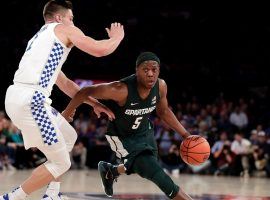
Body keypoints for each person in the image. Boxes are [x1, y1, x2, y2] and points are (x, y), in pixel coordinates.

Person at [0, 0, 124, 199]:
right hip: (32, 101)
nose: (73, 23)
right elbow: (100, 50)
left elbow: (66, 84)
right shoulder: (62, 29)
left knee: (68, 136)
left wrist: (94, 103)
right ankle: (11, 198)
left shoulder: (41, 40)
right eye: (71, 18)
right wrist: (117, 38)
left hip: (20, 97)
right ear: (59, 18)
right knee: (61, 162)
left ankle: (52, 195)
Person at [62, 52, 193, 200]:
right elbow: (85, 91)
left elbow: (163, 111)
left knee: (143, 166)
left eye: (154, 69)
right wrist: (67, 112)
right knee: (156, 173)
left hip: (144, 132)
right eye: (145, 69)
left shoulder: (161, 86)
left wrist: (186, 135)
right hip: (122, 136)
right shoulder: (120, 90)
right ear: (136, 71)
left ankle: (111, 171)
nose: (150, 74)